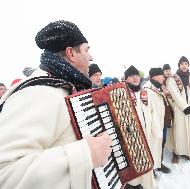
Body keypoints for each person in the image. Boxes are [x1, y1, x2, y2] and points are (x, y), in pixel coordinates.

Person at [0, 20, 112, 189]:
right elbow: (5, 173)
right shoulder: (38, 93)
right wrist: (86, 154)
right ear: (71, 53)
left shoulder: (62, 88)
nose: (91, 57)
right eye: (87, 49)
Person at [124, 65, 156, 189]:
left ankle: (143, 182)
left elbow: (152, 112)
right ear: (126, 79)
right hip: (132, 135)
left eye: (137, 76)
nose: (136, 78)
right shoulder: (123, 92)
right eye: (132, 76)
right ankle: (133, 184)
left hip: (147, 133)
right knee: (134, 161)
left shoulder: (144, 92)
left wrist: (155, 129)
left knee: (145, 160)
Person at [166, 56, 190, 163]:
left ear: (188, 65)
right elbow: (174, 93)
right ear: (179, 65)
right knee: (179, 131)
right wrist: (184, 107)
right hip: (180, 108)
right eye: (182, 64)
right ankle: (178, 151)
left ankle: (189, 151)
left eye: (186, 64)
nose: (184, 65)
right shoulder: (173, 79)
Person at [143, 68, 169, 176]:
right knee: (152, 145)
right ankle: (151, 168)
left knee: (161, 144)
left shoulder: (161, 87)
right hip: (153, 124)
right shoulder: (146, 89)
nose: (163, 77)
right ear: (154, 77)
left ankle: (159, 163)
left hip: (163, 121)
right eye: (161, 75)